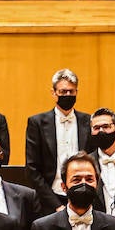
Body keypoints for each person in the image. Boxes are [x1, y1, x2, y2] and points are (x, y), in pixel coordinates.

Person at [25, 68, 89, 215]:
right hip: (47, 201)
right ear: (54, 93)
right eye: (63, 92)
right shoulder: (37, 123)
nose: (67, 95)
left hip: (83, 198)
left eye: (71, 92)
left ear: (76, 93)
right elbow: (32, 169)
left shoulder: (87, 122)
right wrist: (54, 204)